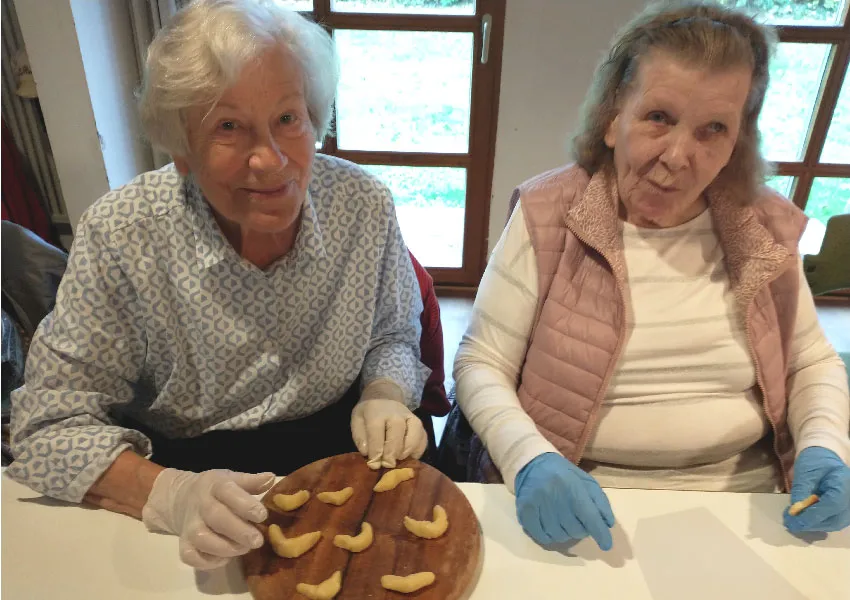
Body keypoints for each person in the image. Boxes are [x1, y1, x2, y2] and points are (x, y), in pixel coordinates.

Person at [8, 0, 434, 570]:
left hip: (338, 450)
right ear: (181, 149)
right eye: (228, 127)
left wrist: (385, 392)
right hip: (188, 472)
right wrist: (167, 495)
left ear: (315, 118)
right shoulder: (122, 235)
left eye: (288, 118)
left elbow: (393, 333)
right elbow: (46, 429)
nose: (271, 160)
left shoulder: (364, 205)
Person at [452, 0, 850, 551]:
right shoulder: (549, 212)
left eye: (714, 129)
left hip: (749, 502)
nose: (678, 156)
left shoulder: (762, 226)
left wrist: (826, 443)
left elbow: (811, 360)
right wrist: (529, 459)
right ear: (613, 118)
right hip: (586, 496)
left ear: (738, 140)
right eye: (659, 118)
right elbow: (480, 362)